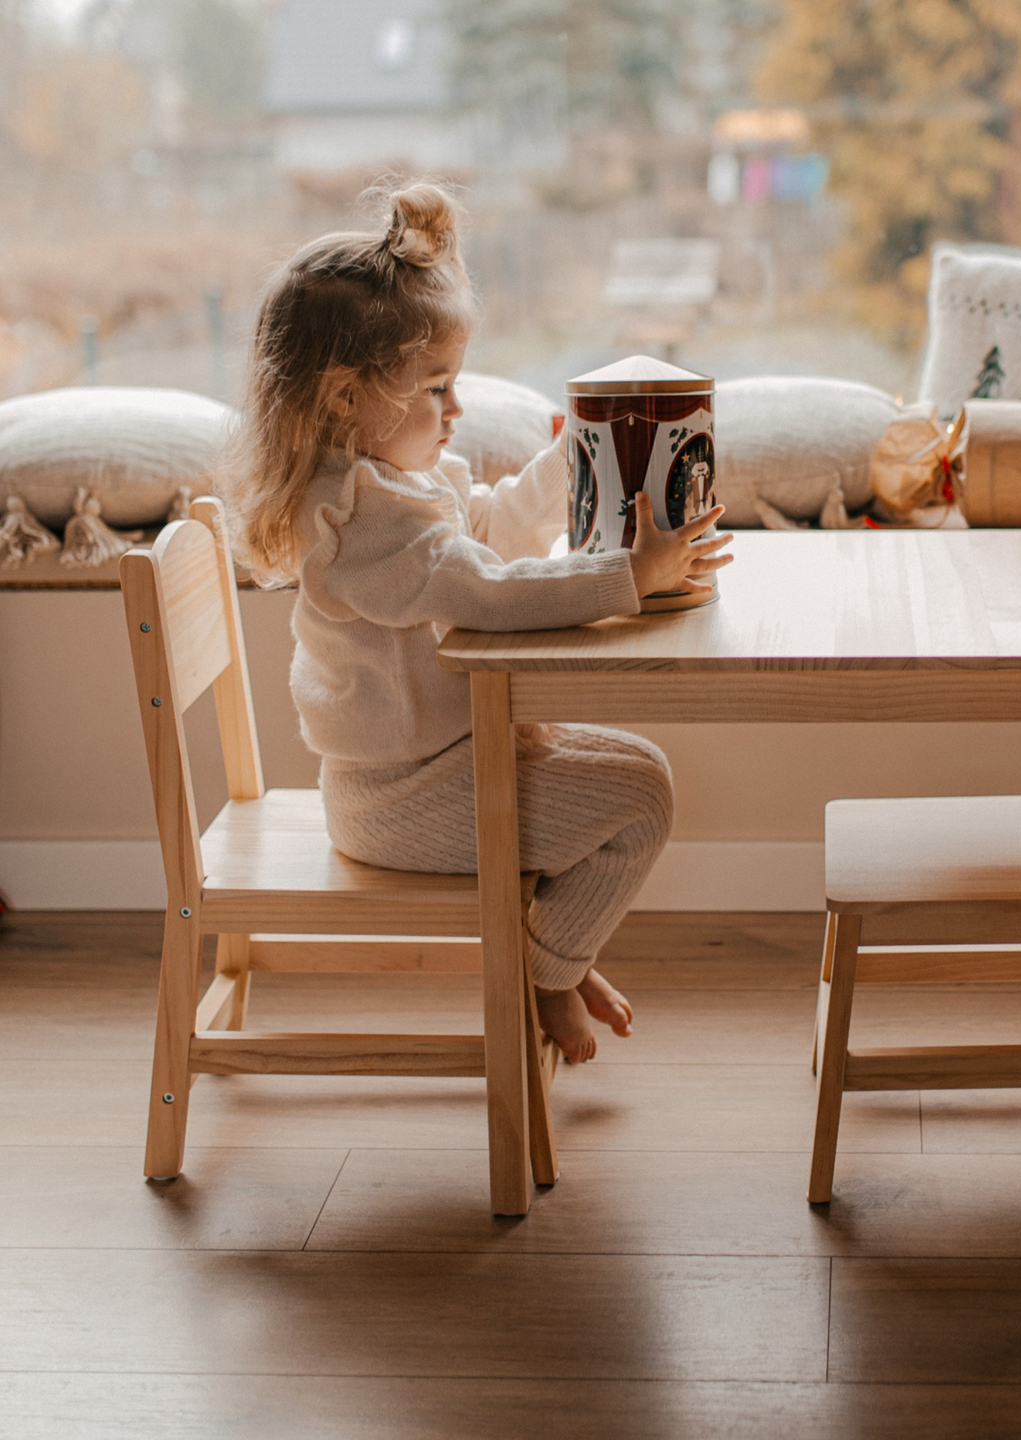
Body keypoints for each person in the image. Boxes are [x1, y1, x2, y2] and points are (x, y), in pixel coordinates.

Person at [224, 182, 732, 1062]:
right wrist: (630, 578)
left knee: (640, 776)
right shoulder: (360, 521)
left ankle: (553, 961)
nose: (454, 409)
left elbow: (483, 535)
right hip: (403, 798)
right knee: (641, 800)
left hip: (440, 765)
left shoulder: (391, 486)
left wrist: (569, 454)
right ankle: (545, 973)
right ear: (345, 399)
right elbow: (486, 590)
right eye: (434, 387)